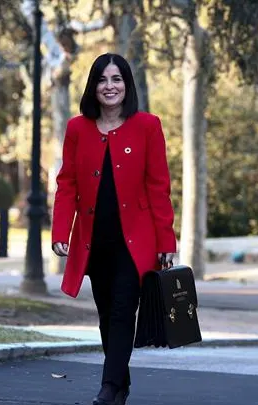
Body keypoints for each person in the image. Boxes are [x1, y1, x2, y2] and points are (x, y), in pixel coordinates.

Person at [51, 53, 177, 405]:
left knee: (124, 309)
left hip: (136, 241)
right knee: (107, 313)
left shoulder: (148, 125)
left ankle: (108, 388)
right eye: (103, 80)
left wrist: (167, 240)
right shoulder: (77, 128)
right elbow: (68, 183)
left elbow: (158, 187)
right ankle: (120, 386)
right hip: (94, 239)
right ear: (93, 86)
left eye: (117, 79)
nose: (110, 86)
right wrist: (61, 231)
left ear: (127, 85)